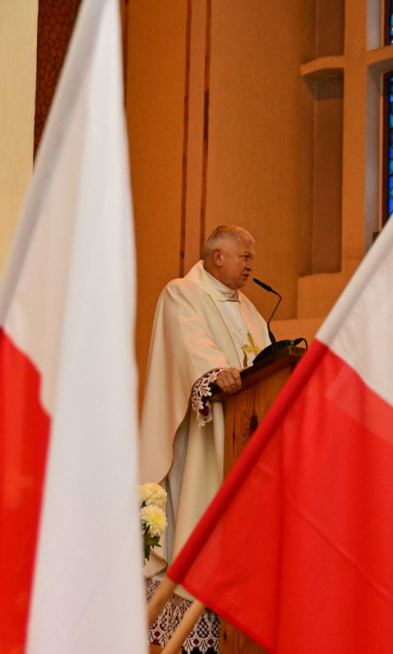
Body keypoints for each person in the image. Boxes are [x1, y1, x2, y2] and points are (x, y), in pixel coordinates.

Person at [139, 225, 272, 583]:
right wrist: (214, 370)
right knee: (200, 510)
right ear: (218, 256)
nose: (250, 266)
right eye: (245, 257)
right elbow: (189, 343)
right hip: (204, 431)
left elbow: (264, 361)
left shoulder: (249, 309)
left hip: (243, 432)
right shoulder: (182, 293)